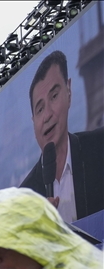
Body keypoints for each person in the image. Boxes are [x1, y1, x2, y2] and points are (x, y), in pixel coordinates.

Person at [19, 50, 104, 222]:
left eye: (54, 96)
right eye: (40, 109)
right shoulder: (24, 198)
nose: (48, 115)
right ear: (33, 121)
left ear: (69, 93)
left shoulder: (99, 148)